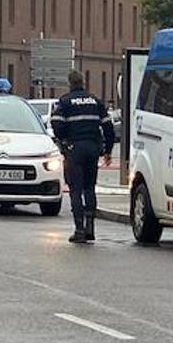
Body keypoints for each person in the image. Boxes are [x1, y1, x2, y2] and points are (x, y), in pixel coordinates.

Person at [52, 71, 115, 243]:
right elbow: (108, 127)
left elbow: (56, 124)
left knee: (75, 189)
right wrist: (108, 150)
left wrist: (65, 140)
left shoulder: (65, 101)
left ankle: (79, 230)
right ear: (83, 82)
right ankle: (90, 228)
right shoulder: (95, 101)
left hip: (75, 149)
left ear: (70, 83)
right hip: (93, 148)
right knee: (89, 188)